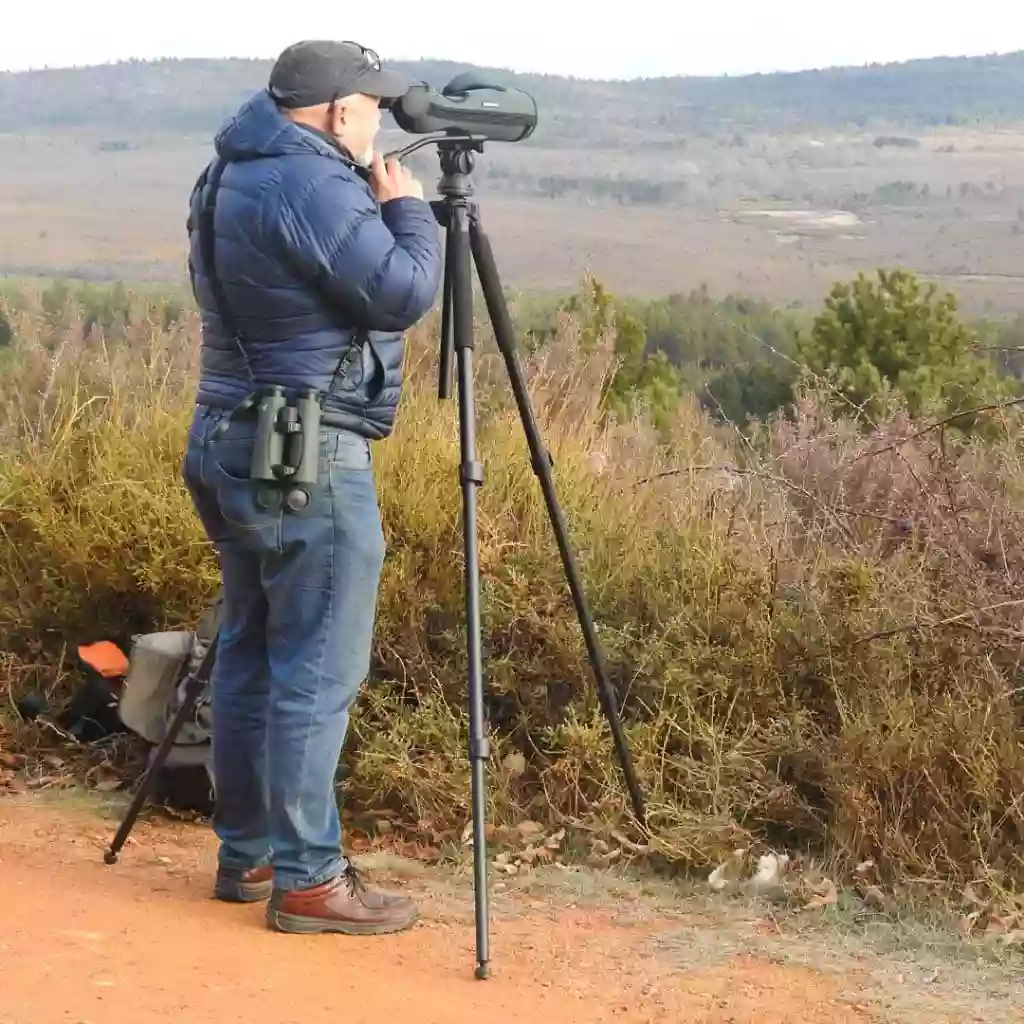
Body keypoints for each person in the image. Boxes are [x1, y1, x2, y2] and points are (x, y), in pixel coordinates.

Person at [182, 39, 443, 936]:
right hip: (303, 453)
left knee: (254, 650)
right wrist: (412, 216)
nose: (376, 120)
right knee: (316, 668)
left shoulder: (231, 170)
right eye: (369, 105)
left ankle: (248, 852)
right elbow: (401, 293)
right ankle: (309, 880)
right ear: (338, 112)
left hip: (227, 434)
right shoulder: (313, 182)